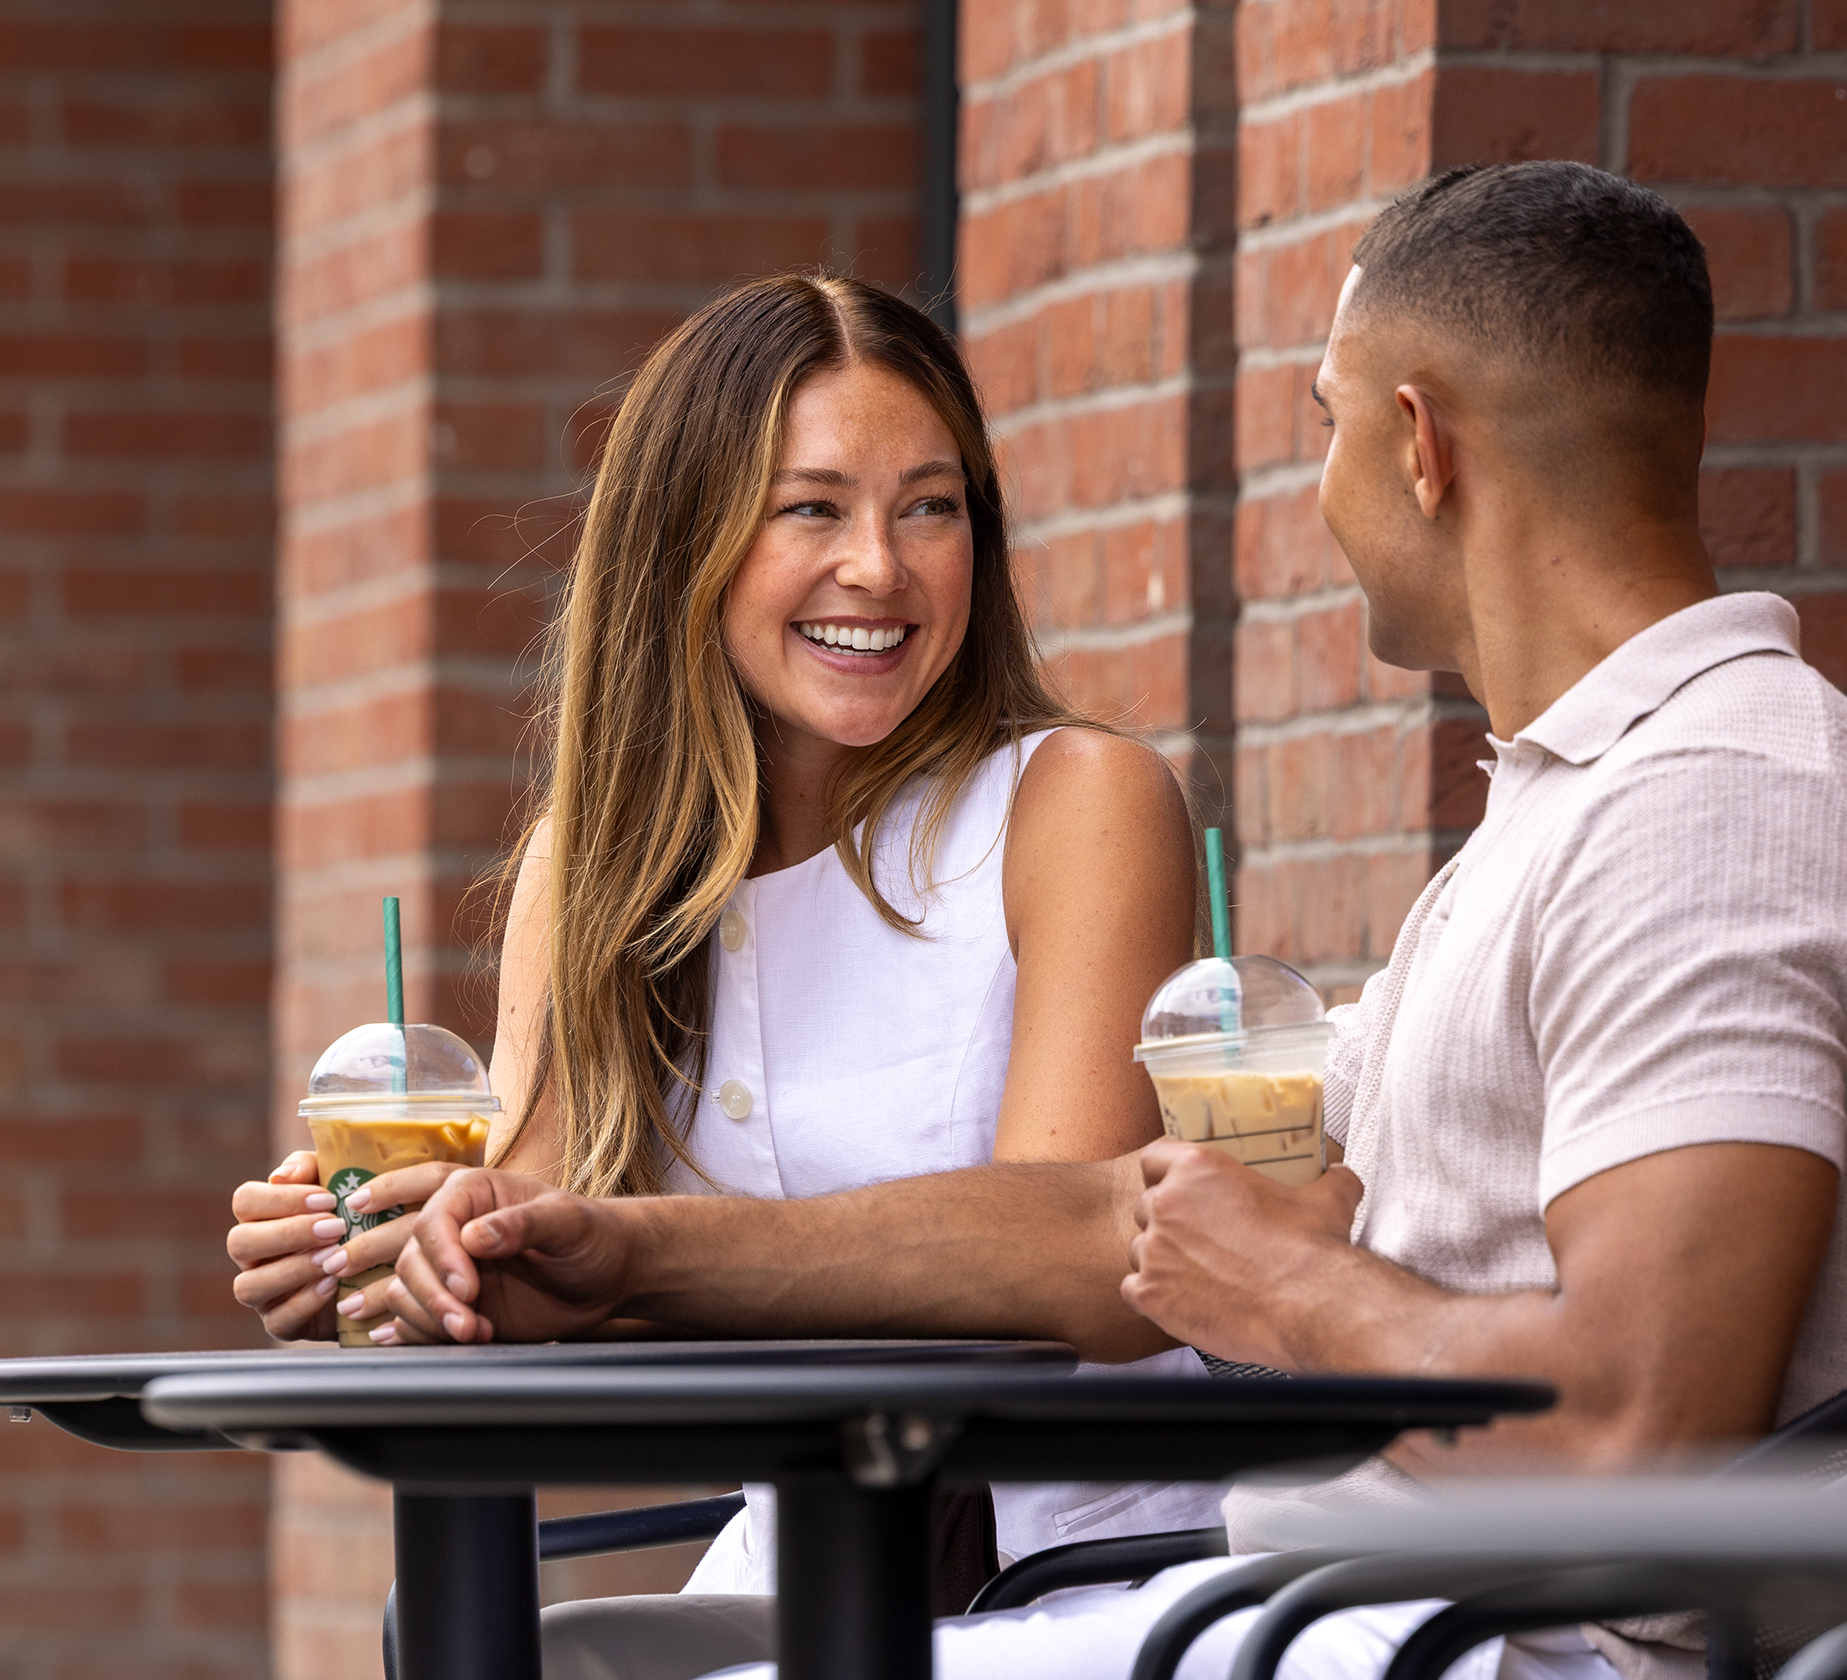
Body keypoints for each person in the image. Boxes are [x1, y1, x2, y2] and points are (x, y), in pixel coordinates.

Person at [379, 163, 1847, 1680]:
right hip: (1338, 1600)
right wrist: (593, 1247)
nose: (1320, 484)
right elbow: (1109, 1222)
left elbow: (1637, 1431)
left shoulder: (1713, 808)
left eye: (1324, 423)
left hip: (1472, 1633)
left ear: (1420, 448)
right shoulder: (1569, 811)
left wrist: (1285, 1295)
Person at [223, 273, 1230, 1594]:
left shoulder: (1074, 802)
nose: (880, 565)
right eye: (812, 507)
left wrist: (623, 1257)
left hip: (1088, 1573)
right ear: (683, 541)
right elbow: (523, 1253)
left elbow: (1084, 1260)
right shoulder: (587, 875)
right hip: (798, 1569)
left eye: (930, 506)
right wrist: (385, 1270)